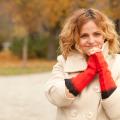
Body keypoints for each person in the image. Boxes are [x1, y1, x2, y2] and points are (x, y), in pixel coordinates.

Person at [45, 8, 120, 120]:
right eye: (84, 36)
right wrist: (89, 73)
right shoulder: (64, 61)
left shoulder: (117, 63)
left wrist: (103, 69)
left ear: (105, 35)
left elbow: (117, 113)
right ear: (75, 38)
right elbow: (55, 97)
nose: (91, 40)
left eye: (97, 34)